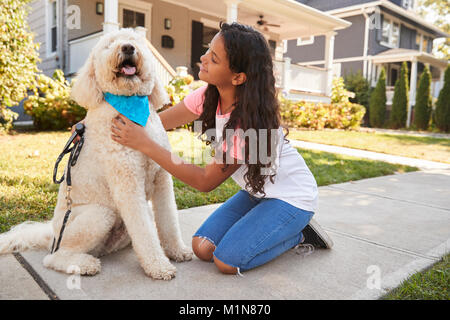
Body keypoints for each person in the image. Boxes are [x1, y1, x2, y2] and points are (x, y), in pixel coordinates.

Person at [73, 22, 332, 276]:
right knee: (203, 247)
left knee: (228, 262)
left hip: (291, 198)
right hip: (257, 193)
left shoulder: (246, 125)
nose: (203, 57)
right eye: (208, 50)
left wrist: (145, 144)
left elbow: (204, 181)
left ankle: (298, 234)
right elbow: (156, 123)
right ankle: (267, 224)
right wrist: (91, 126)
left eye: (214, 58)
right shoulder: (209, 96)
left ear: (238, 77)